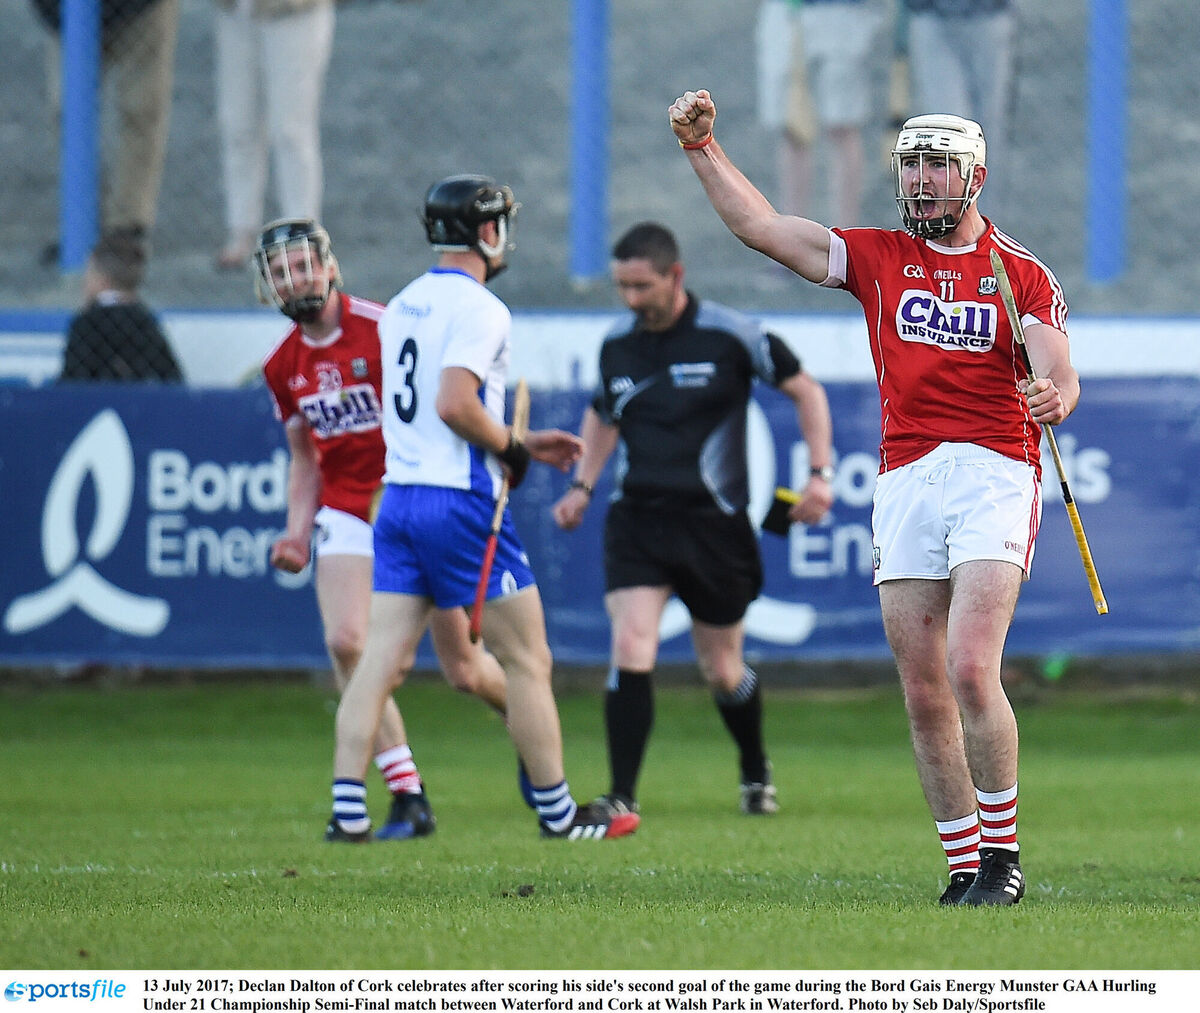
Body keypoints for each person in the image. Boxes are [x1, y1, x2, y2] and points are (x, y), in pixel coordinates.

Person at [669, 89, 1078, 905]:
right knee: (923, 684)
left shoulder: (1019, 271)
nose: (923, 180)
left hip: (996, 471)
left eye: (940, 166)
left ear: (976, 177)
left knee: (969, 666)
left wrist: (1056, 394)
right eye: (913, 165)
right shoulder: (879, 256)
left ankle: (1003, 857)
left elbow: (1053, 357)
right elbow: (764, 229)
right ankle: (963, 863)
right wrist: (702, 150)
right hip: (906, 477)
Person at [326, 175, 641, 842]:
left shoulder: (404, 304)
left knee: (378, 658)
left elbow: (435, 413)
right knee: (528, 660)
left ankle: (347, 809)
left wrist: (516, 440)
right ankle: (558, 812)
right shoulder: (481, 308)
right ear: (488, 232)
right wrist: (512, 450)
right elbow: (455, 403)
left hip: (401, 500)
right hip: (459, 505)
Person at [550, 221, 835, 821]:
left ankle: (755, 771)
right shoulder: (617, 344)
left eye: (642, 287)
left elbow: (806, 391)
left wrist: (819, 475)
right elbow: (604, 415)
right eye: (622, 287)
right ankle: (620, 795)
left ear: (675, 276)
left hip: (715, 527)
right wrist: (583, 485)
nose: (631, 300)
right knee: (630, 643)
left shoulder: (730, 334)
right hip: (640, 520)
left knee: (723, 670)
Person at [255, 217, 509, 841]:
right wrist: (295, 531)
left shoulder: (386, 325)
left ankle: (532, 715)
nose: (296, 279)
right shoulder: (281, 366)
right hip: (346, 508)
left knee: (466, 670)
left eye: (305, 264)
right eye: (281, 272)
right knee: (348, 643)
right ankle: (407, 793)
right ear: (267, 288)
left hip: (408, 499)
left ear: (332, 266)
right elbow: (306, 458)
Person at [31, 0, 180, 254]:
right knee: (67, 109)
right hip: (69, 11)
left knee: (140, 108)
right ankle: (83, 221)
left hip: (142, 8)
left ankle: (128, 224)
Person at [212, 0, 334, 270]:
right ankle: (242, 229)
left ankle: (302, 233)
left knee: (291, 129)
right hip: (236, 12)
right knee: (238, 125)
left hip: (294, 11)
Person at [774, 0, 888, 223]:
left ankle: (845, 237)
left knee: (842, 126)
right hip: (788, 11)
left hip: (844, 12)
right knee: (793, 127)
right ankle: (789, 236)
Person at [901, 0, 1015, 210]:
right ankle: (947, 223)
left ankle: (984, 226)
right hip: (933, 17)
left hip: (988, 16)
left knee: (987, 131)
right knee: (947, 129)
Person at [59, 229, 183, 382]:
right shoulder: (145, 323)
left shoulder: (86, 324)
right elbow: (172, 380)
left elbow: (70, 384)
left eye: (88, 273)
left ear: (101, 279)